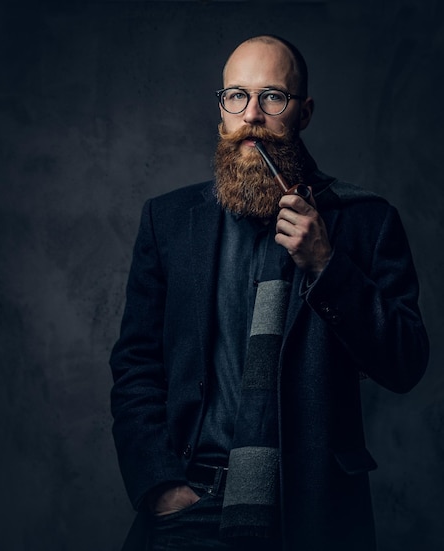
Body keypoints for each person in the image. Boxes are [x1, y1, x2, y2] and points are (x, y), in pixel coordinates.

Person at [109, 34, 429, 551]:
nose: (251, 114)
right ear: (222, 112)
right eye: (236, 96)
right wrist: (161, 486)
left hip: (313, 510)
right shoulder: (168, 221)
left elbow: (406, 362)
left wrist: (326, 264)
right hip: (189, 508)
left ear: (303, 113)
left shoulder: (366, 221)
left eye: (272, 97)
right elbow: (136, 365)